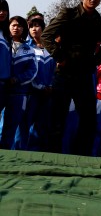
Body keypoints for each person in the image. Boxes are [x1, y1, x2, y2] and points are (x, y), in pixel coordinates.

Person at [42, 0, 101, 155]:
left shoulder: (97, 20)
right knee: (57, 119)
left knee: (89, 120)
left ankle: (80, 157)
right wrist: (60, 57)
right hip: (64, 74)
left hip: (84, 75)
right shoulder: (69, 14)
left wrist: (94, 62)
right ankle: (53, 156)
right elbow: (46, 36)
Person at [1, 16, 37, 149]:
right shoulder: (4, 44)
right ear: (8, 27)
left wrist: (17, 79)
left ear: (24, 29)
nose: (16, 28)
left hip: (18, 93)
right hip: (2, 89)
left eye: (19, 26)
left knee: (10, 128)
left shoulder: (29, 50)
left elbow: (32, 71)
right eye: (13, 25)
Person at [25, 16, 54, 151]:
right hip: (31, 92)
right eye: (31, 26)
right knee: (25, 123)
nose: (34, 29)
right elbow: (28, 70)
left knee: (42, 125)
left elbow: (55, 71)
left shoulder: (51, 48)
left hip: (48, 93)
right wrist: (39, 86)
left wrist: (50, 86)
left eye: (37, 26)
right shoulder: (26, 48)